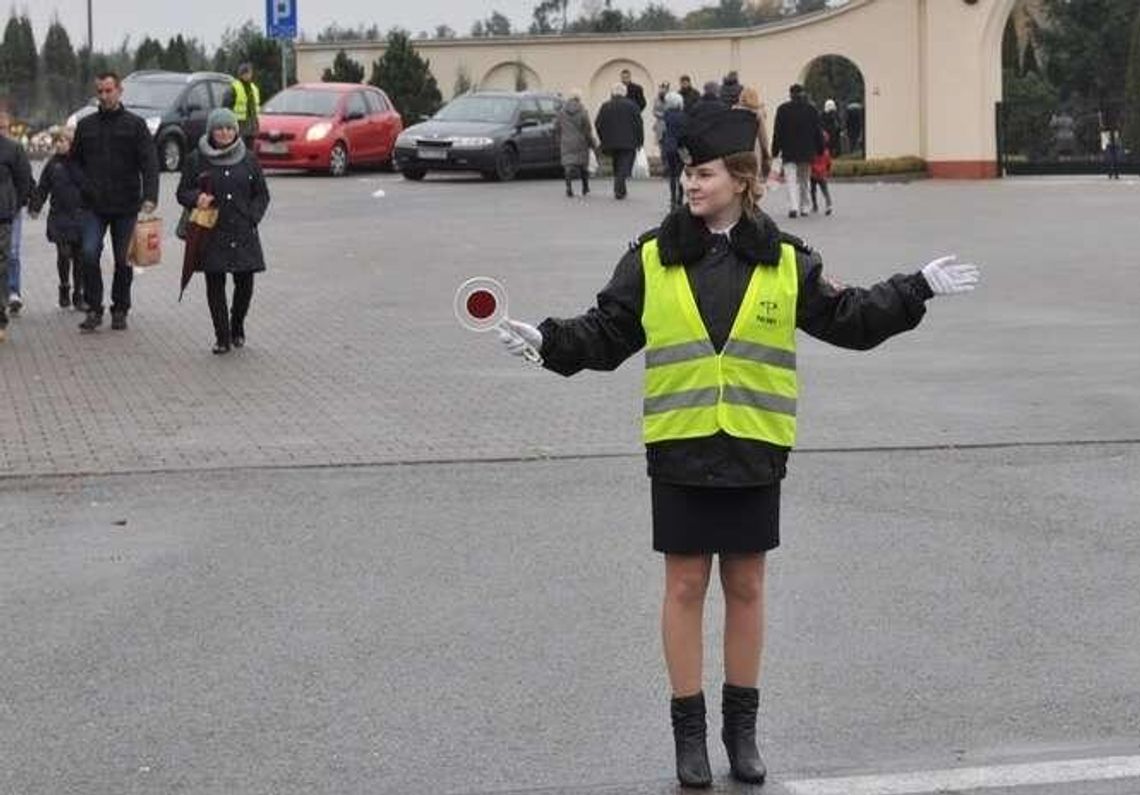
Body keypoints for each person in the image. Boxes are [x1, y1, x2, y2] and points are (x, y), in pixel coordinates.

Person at [492, 106, 980, 788]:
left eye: (703, 173)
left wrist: (914, 288)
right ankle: (688, 735)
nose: (689, 184)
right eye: (686, 173)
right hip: (681, 446)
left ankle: (740, 733)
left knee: (747, 584)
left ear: (742, 178)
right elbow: (605, 333)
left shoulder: (786, 261)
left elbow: (849, 319)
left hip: (754, 446)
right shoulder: (650, 257)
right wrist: (545, 340)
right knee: (686, 583)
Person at [71, 71, 160, 332]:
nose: (104, 95)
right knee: (88, 254)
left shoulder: (135, 125)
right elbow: (74, 161)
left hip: (126, 204)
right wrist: (83, 185)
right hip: (93, 205)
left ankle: (120, 308)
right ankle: (94, 309)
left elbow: (149, 163)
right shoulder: (86, 126)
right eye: (100, 91)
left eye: (109, 90)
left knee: (124, 259)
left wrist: (150, 196)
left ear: (120, 91)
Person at [177, 108, 270, 354]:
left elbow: (262, 194)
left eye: (229, 128)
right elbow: (182, 192)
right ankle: (222, 337)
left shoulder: (248, 158)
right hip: (212, 231)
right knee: (215, 283)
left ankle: (237, 324)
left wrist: (253, 216)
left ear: (236, 131)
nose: (225, 133)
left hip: (242, 230)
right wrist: (197, 197)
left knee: (245, 284)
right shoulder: (196, 159)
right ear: (211, 131)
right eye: (219, 128)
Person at [28, 127, 86, 310]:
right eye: (58, 141)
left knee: (79, 257)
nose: (59, 144)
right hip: (59, 216)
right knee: (64, 253)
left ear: (72, 143)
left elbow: (93, 185)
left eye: (63, 141)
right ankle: (64, 286)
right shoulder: (53, 164)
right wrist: (35, 206)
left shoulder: (83, 162)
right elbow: (43, 187)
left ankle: (79, 293)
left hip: (80, 216)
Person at [0, 111, 33, 343]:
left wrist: (13, 205)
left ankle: (0, 318)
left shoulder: (12, 149)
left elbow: (24, 181)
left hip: (3, 215)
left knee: (2, 262)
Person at [771, 83, 823, 219]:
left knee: (791, 180)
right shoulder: (811, 110)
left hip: (789, 151)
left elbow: (777, 132)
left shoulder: (782, 110)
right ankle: (805, 207)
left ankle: (793, 207)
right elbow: (817, 132)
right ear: (803, 94)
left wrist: (775, 150)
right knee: (804, 180)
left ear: (790, 95)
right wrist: (820, 149)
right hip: (807, 151)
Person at [595, 83, 644, 200]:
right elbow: (639, 125)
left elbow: (598, 124)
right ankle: (619, 188)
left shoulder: (605, 106)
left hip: (611, 142)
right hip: (629, 142)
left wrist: (603, 138)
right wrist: (640, 141)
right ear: (624, 93)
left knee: (617, 164)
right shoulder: (632, 106)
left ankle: (621, 189)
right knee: (624, 166)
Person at [557, 89, 597, 198]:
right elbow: (587, 129)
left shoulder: (561, 112)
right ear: (579, 99)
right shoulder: (583, 112)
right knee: (583, 165)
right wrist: (592, 143)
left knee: (568, 165)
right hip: (580, 142)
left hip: (566, 141)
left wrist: (559, 140)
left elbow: (557, 128)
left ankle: (568, 187)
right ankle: (585, 187)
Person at [734, 86, 773, 180]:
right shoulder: (757, 114)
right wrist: (766, 152)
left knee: (739, 177)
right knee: (753, 178)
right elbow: (763, 137)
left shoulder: (734, 112)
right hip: (754, 148)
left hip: (737, 149)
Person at [224, 63, 261, 149]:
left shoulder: (254, 88)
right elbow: (226, 105)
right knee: (239, 148)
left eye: (250, 73)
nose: (249, 75)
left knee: (250, 149)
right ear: (242, 74)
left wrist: (256, 124)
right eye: (247, 73)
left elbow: (255, 107)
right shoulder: (234, 87)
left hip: (252, 124)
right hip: (239, 124)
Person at [660, 91, 686, 210]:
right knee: (680, 173)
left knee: (672, 174)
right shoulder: (684, 116)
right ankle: (680, 198)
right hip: (680, 147)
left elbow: (662, 132)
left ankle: (672, 199)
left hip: (668, 147)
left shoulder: (666, 116)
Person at [810, 131, 833, 216]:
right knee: (825, 191)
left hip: (813, 174)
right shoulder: (826, 152)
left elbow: (810, 162)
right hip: (822, 174)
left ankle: (815, 206)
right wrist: (827, 172)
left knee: (813, 191)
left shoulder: (813, 151)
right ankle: (829, 205)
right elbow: (829, 164)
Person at [652, 82, 671, 147]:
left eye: (665, 88)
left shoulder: (671, 99)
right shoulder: (656, 99)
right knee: (660, 144)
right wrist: (661, 114)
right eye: (662, 88)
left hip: (669, 124)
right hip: (659, 123)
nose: (663, 90)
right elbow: (654, 111)